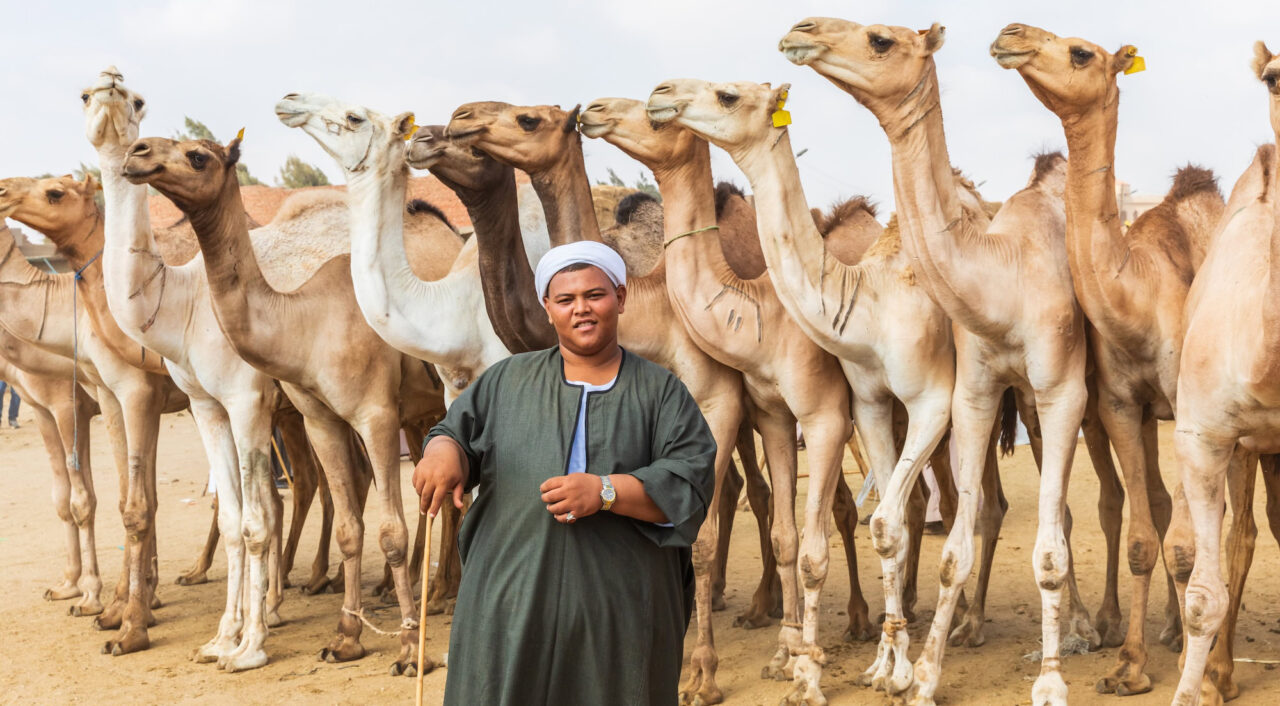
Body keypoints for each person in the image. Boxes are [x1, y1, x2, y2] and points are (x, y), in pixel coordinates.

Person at [412, 241, 716, 706]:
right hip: (510, 600)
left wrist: (605, 491)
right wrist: (442, 453)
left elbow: (688, 483)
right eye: (566, 299)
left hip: (619, 608)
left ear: (620, 297)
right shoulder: (506, 380)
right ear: (548, 308)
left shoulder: (662, 392)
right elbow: (454, 432)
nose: (581, 309)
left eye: (594, 295)